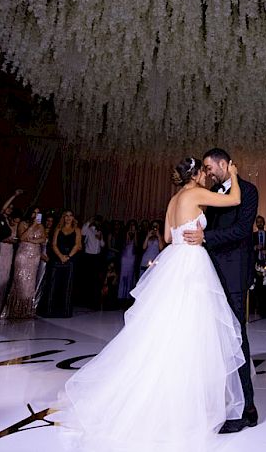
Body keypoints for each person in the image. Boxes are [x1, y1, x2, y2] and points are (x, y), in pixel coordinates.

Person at [58, 157, 245, 452]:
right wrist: (233, 174)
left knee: (164, 329)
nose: (206, 177)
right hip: (192, 263)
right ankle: (182, 403)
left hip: (175, 259)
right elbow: (234, 199)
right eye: (203, 172)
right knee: (190, 331)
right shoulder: (194, 193)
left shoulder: (174, 200)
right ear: (195, 175)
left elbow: (170, 237)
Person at [183, 147, 259, 433]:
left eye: (209, 166)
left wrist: (206, 237)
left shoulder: (248, 191)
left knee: (236, 340)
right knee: (214, 342)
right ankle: (221, 403)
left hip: (234, 276)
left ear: (224, 164)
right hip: (210, 276)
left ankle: (245, 410)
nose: (207, 171)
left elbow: (241, 230)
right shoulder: (212, 193)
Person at [1, 207, 46, 319]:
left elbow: (43, 239)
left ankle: (26, 310)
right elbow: (22, 237)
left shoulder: (41, 226)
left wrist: (32, 240)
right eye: (34, 213)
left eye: (38, 213)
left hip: (35, 255)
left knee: (30, 284)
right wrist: (33, 226)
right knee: (20, 282)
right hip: (23, 255)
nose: (35, 215)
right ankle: (14, 310)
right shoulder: (23, 223)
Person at [38, 210, 81, 318]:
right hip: (57, 259)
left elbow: (77, 245)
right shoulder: (58, 229)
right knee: (53, 284)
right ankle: (50, 311)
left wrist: (68, 257)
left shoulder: (77, 230)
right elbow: (54, 245)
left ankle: (64, 311)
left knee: (67, 285)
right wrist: (61, 256)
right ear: (63, 217)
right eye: (66, 216)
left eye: (70, 216)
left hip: (70, 260)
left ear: (73, 218)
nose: (68, 218)